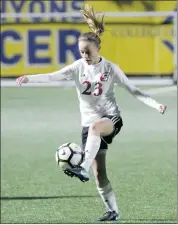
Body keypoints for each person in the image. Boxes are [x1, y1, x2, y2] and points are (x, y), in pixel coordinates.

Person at [16, 4, 167, 221]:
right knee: (100, 174)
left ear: (98, 49)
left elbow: (134, 90)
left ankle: (82, 166)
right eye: (81, 52)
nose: (84, 55)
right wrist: (29, 78)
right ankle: (113, 211)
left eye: (88, 51)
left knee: (96, 131)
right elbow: (52, 76)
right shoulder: (78, 67)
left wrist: (156, 105)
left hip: (110, 119)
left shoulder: (110, 69)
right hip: (89, 126)